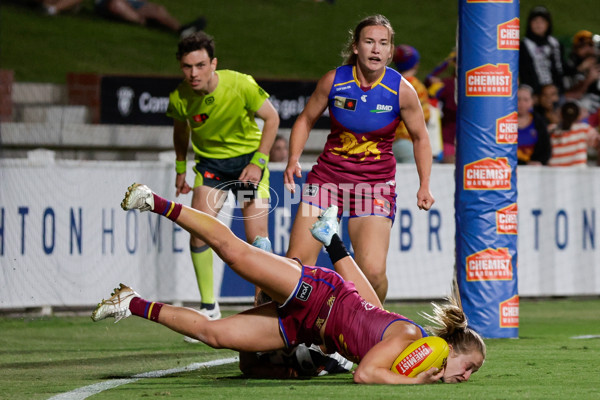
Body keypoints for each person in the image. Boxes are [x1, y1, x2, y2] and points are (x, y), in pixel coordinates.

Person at [92, 183, 486, 384]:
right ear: (449, 349)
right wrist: (417, 384)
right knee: (236, 255)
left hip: (303, 326)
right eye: (468, 367)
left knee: (215, 336)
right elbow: (365, 374)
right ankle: (154, 202)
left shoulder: (408, 352)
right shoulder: (408, 339)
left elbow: (369, 307)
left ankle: (130, 302)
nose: (465, 377)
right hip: (318, 294)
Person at [284, 15, 434, 303]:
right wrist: (293, 158)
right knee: (296, 268)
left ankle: (372, 330)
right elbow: (305, 119)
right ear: (356, 47)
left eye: (383, 43)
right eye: (369, 42)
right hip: (325, 182)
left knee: (373, 273)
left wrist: (424, 184)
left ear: (390, 52)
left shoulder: (402, 90)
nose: (376, 49)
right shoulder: (334, 81)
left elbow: (421, 138)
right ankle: (294, 339)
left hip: (374, 187)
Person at [166, 32, 280, 322]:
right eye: (187, 67)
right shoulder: (180, 98)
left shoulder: (240, 84)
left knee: (257, 241)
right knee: (199, 231)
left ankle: (262, 308)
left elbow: (272, 118)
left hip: (246, 167)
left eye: (201, 65)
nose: (194, 73)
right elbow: (181, 132)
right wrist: (181, 169)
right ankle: (209, 307)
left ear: (213, 63)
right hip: (212, 168)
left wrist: (258, 161)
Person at [391, 44, 431, 164]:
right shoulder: (417, 87)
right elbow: (425, 116)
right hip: (410, 141)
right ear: (415, 64)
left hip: (389, 142)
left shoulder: (389, 84)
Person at [94, 0, 206, 37]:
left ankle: (182, 30)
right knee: (117, 4)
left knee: (158, 10)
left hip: (132, 3)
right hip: (108, 4)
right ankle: (144, 21)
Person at [519, 6, 565, 95]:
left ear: (548, 24)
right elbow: (525, 72)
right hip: (533, 93)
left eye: (542, 21)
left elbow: (560, 68)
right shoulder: (524, 45)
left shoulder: (555, 44)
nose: (538, 25)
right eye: (535, 21)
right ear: (530, 24)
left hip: (555, 92)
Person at [548, 100, 600, 167]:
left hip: (554, 173)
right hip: (578, 174)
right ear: (579, 116)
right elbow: (598, 141)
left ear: (560, 114)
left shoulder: (551, 129)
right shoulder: (584, 129)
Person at [563, 30, 600, 123]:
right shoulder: (570, 67)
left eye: (590, 45)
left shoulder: (597, 62)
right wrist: (588, 78)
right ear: (575, 49)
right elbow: (569, 95)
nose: (587, 49)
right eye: (582, 46)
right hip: (582, 109)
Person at [517, 84, 552, 165]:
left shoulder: (539, 122)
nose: (521, 103)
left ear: (532, 101)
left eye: (526, 100)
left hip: (533, 170)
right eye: (518, 99)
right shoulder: (503, 121)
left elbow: (546, 149)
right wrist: (524, 164)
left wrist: (537, 163)